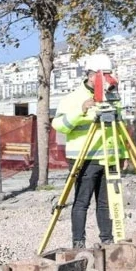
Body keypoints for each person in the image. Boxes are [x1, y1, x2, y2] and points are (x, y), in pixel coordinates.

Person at [52, 53, 126, 249]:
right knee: (81, 202)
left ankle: (107, 240)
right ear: (92, 75)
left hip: (108, 158)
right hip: (83, 158)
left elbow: (118, 129)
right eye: (105, 74)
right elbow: (59, 125)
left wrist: (123, 154)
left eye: (110, 74)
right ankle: (78, 242)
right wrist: (81, 110)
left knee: (105, 203)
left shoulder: (112, 97)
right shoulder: (73, 98)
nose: (108, 79)